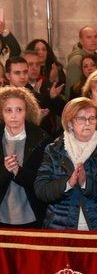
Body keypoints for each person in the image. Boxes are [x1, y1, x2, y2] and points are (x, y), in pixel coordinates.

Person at [35, 97, 97, 230]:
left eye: (92, 118)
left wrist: (86, 183)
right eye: (81, 119)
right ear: (70, 123)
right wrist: (68, 183)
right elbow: (41, 190)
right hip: (61, 226)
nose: (88, 123)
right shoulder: (53, 150)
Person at [0, 87, 51, 228]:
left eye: (19, 110)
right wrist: (6, 171)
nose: (14, 115)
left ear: (27, 112)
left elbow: (44, 183)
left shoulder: (41, 139)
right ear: (1, 112)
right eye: (8, 110)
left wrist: (18, 172)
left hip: (32, 215)